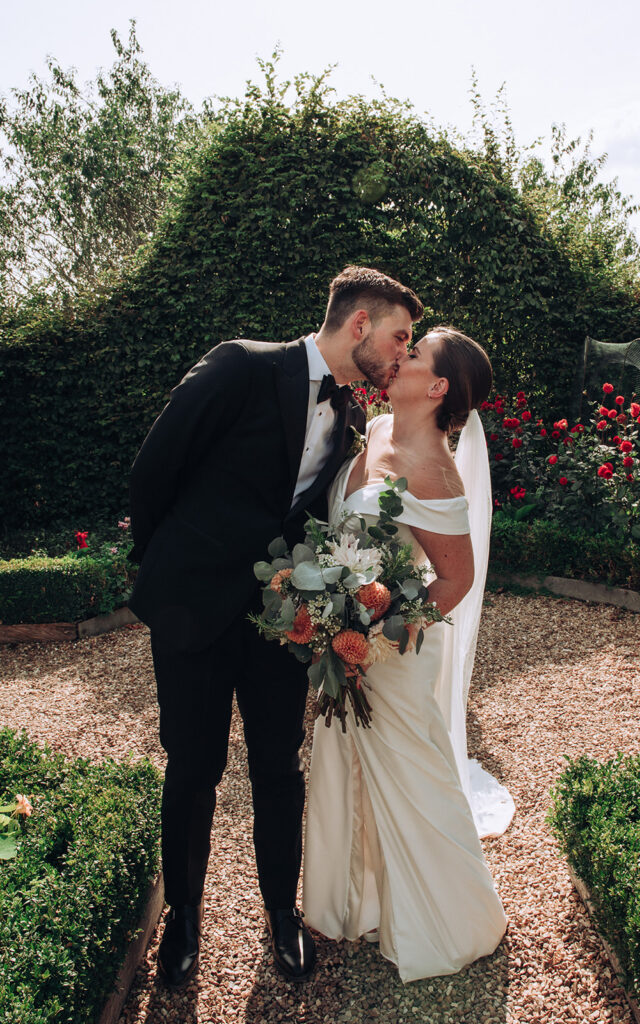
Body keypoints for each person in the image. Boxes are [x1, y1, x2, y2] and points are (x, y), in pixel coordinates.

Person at [127, 266, 424, 987]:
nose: (402, 354)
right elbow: (154, 470)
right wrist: (168, 571)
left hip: (278, 620)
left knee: (277, 770)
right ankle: (186, 921)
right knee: (192, 768)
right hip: (191, 611)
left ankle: (280, 916)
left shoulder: (350, 418)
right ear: (359, 326)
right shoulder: (240, 365)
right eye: (398, 337)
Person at [302, 326, 513, 983]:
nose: (401, 356)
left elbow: (454, 580)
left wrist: (387, 633)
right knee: (346, 764)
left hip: (393, 648)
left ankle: (450, 919)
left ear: (439, 385)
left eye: (415, 353)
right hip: (346, 635)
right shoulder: (380, 424)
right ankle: (357, 903)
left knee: (412, 777)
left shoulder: (435, 471)